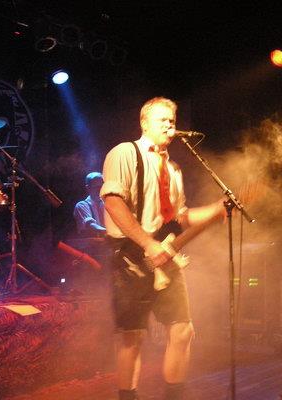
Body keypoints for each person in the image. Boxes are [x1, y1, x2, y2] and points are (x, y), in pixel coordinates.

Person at [100, 97, 225, 400]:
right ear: (144, 123)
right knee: (132, 336)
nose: (170, 125)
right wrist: (147, 243)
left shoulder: (173, 168)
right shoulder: (124, 153)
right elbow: (113, 201)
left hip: (164, 256)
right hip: (129, 255)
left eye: (172, 120)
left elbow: (180, 217)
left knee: (183, 330)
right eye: (162, 120)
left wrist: (216, 209)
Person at [73, 172, 106, 237]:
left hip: (107, 241)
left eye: (102, 186)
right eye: (96, 187)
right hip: (90, 242)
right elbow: (91, 225)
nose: (100, 190)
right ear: (88, 188)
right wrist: (111, 232)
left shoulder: (106, 203)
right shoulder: (82, 205)